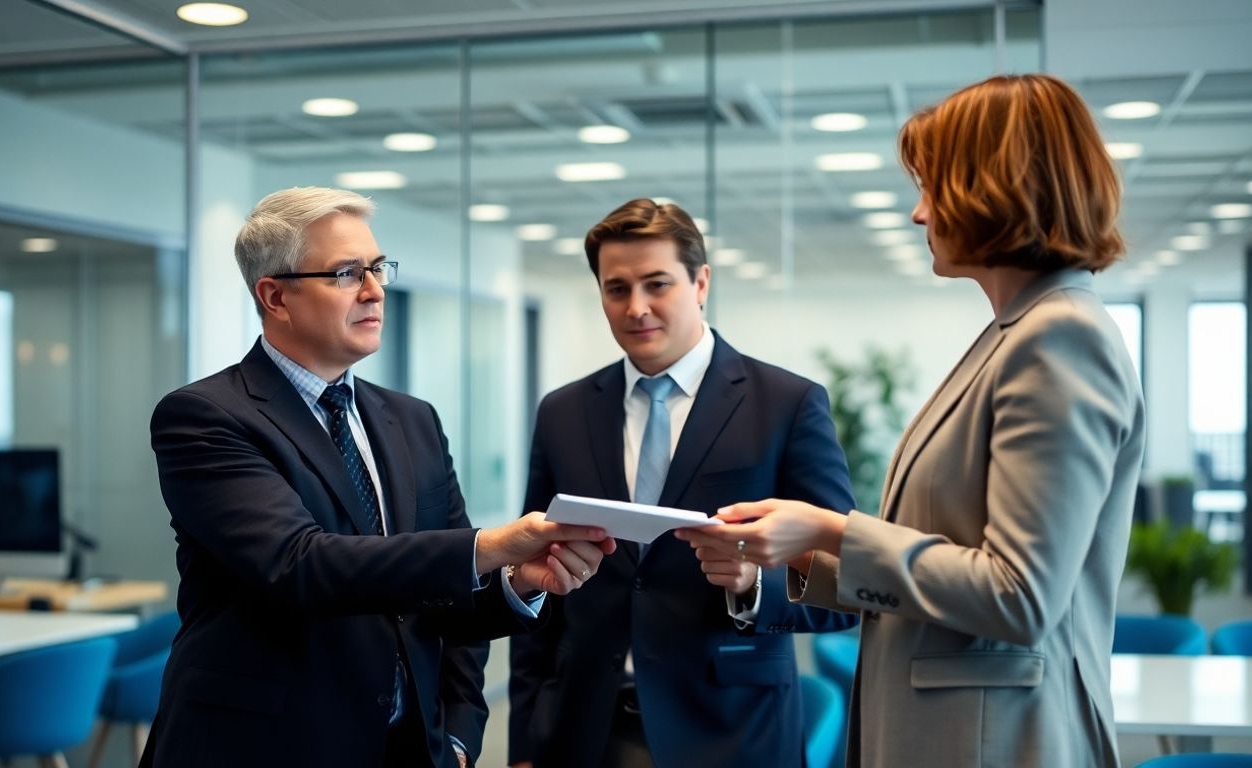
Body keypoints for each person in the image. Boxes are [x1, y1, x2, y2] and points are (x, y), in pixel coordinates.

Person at [678, 73, 1145, 768]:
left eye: (932, 187)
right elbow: (949, 556)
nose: (918, 214)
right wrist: (796, 556)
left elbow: (1017, 597)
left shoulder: (1058, 340)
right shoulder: (1013, 335)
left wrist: (828, 526)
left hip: (997, 740)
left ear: (997, 189)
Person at [144, 187, 616, 768]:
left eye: (375, 268)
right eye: (346, 273)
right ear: (275, 296)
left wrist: (517, 585)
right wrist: (492, 546)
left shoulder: (412, 420)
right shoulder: (207, 416)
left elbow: (445, 600)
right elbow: (302, 566)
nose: (374, 290)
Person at [508, 198, 858, 768]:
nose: (637, 307)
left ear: (700, 283)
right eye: (616, 288)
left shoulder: (786, 404)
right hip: (581, 727)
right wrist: (523, 738)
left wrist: (753, 584)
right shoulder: (564, 412)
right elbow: (537, 579)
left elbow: (845, 585)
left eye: (657, 284)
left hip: (731, 729)